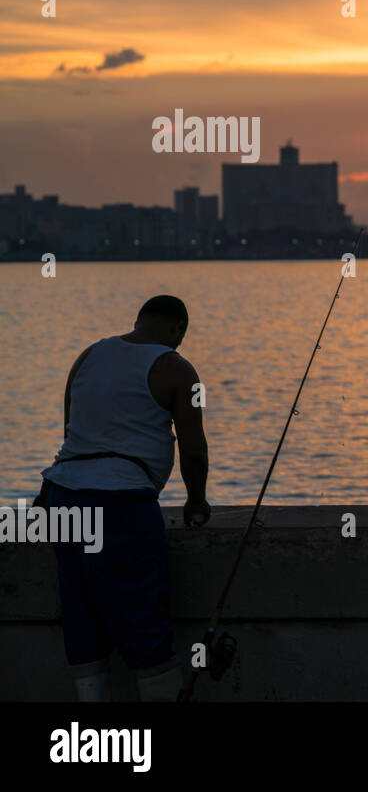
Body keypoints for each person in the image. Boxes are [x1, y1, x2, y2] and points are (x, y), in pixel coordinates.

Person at [36, 294, 210, 701]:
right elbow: (194, 448)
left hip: (64, 497)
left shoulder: (89, 356)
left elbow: (71, 432)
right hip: (121, 505)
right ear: (178, 328)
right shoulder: (178, 368)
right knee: (143, 618)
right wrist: (196, 500)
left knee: (81, 617)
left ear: (138, 320)